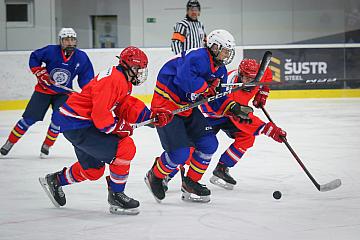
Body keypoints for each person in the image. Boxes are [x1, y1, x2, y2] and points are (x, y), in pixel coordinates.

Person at [38, 46, 173, 215]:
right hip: (79, 125)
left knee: (93, 171)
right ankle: (116, 195)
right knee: (125, 147)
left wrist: (148, 116)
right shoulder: (114, 80)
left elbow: (124, 105)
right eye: (138, 68)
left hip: (77, 124)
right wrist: (118, 128)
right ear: (128, 65)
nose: (140, 73)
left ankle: (55, 180)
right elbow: (101, 117)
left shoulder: (121, 79)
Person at [144, 29, 253, 203]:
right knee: (180, 154)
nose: (227, 54)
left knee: (209, 144)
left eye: (228, 50)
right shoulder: (197, 57)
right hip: (167, 106)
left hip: (186, 108)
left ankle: (191, 182)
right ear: (214, 47)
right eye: (225, 50)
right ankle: (155, 176)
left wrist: (233, 107)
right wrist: (206, 88)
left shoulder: (220, 70)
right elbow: (184, 80)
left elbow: (218, 98)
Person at [0, 28, 94, 158]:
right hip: (43, 90)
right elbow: (34, 57)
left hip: (63, 94)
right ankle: (9, 143)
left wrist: (88, 91)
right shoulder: (51, 51)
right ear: (60, 41)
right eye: (66, 40)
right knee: (28, 119)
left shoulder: (81, 57)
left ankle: (47, 145)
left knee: (58, 120)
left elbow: (86, 77)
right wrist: (40, 72)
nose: (70, 43)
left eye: (72, 39)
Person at [202, 58, 287, 190]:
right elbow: (243, 118)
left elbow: (267, 74)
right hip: (211, 113)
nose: (249, 81)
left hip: (232, 113)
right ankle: (166, 174)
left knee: (247, 137)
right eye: (245, 78)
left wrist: (262, 94)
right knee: (196, 145)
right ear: (240, 74)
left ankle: (222, 168)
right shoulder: (232, 89)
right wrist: (269, 130)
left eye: (252, 78)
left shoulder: (259, 74)